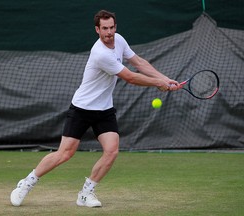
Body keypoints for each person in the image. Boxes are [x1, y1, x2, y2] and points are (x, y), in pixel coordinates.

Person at [10, 9, 181, 208]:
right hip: (82, 108)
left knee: (112, 150)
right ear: (97, 30)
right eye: (104, 29)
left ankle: (86, 193)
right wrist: (157, 83)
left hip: (104, 109)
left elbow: (139, 63)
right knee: (65, 154)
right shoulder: (100, 53)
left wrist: (165, 79)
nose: (109, 32)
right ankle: (27, 182)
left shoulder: (119, 40)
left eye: (112, 27)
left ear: (115, 27)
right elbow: (130, 77)